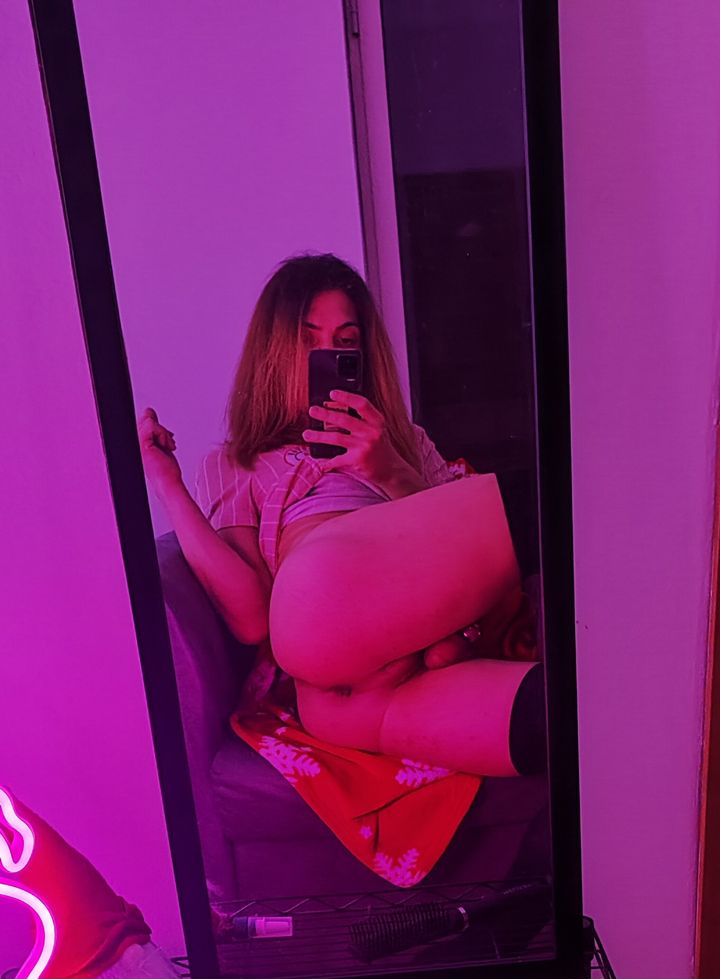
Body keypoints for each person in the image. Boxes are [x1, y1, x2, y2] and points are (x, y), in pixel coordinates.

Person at [139, 252, 544, 781]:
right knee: (558, 501)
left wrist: (389, 469)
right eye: (307, 341)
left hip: (348, 700)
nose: (327, 356)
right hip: (316, 607)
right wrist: (167, 485)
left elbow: (467, 552)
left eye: (345, 343)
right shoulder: (238, 462)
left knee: (575, 718)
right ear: (273, 353)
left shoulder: (403, 442)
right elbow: (250, 619)